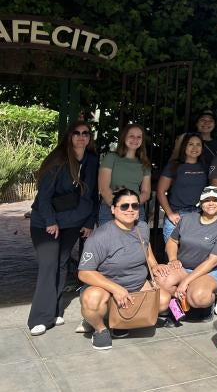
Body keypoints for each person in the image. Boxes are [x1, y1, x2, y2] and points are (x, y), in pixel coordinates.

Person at [28, 121, 99, 336]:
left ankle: (57, 310)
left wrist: (89, 222)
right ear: (69, 136)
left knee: (61, 263)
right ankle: (40, 318)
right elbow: (44, 196)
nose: (81, 136)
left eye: (85, 133)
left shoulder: (92, 161)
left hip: (74, 221)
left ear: (89, 137)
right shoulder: (57, 161)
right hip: (46, 222)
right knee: (49, 264)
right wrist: (50, 221)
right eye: (76, 133)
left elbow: (93, 194)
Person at [77, 188, 171, 349]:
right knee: (92, 300)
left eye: (135, 206)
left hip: (137, 285)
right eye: (124, 206)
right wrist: (116, 288)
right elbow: (84, 272)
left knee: (163, 301)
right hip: (107, 287)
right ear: (113, 209)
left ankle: (120, 322)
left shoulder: (142, 227)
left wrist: (154, 265)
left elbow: (145, 247)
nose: (130, 210)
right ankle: (99, 326)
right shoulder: (100, 237)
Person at [160, 186, 217, 311]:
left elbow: (213, 261)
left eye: (215, 200)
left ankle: (205, 306)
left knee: (199, 297)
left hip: (209, 271)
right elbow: (172, 241)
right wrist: (172, 259)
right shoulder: (187, 219)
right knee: (161, 281)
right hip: (182, 268)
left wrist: (186, 281)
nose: (211, 203)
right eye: (207, 200)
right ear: (201, 202)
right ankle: (177, 307)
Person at [157, 132, 208, 242]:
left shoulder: (204, 167)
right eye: (190, 144)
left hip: (198, 215)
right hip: (177, 215)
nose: (195, 147)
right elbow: (160, 191)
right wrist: (170, 214)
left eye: (198, 144)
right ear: (184, 146)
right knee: (173, 256)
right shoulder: (173, 166)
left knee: (194, 256)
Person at [98, 123, 151, 225]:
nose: (135, 139)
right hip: (111, 210)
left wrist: (131, 206)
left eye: (139, 137)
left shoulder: (144, 163)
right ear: (124, 137)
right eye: (131, 136)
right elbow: (103, 188)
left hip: (135, 210)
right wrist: (119, 207)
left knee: (135, 241)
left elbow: (146, 192)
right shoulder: (111, 158)